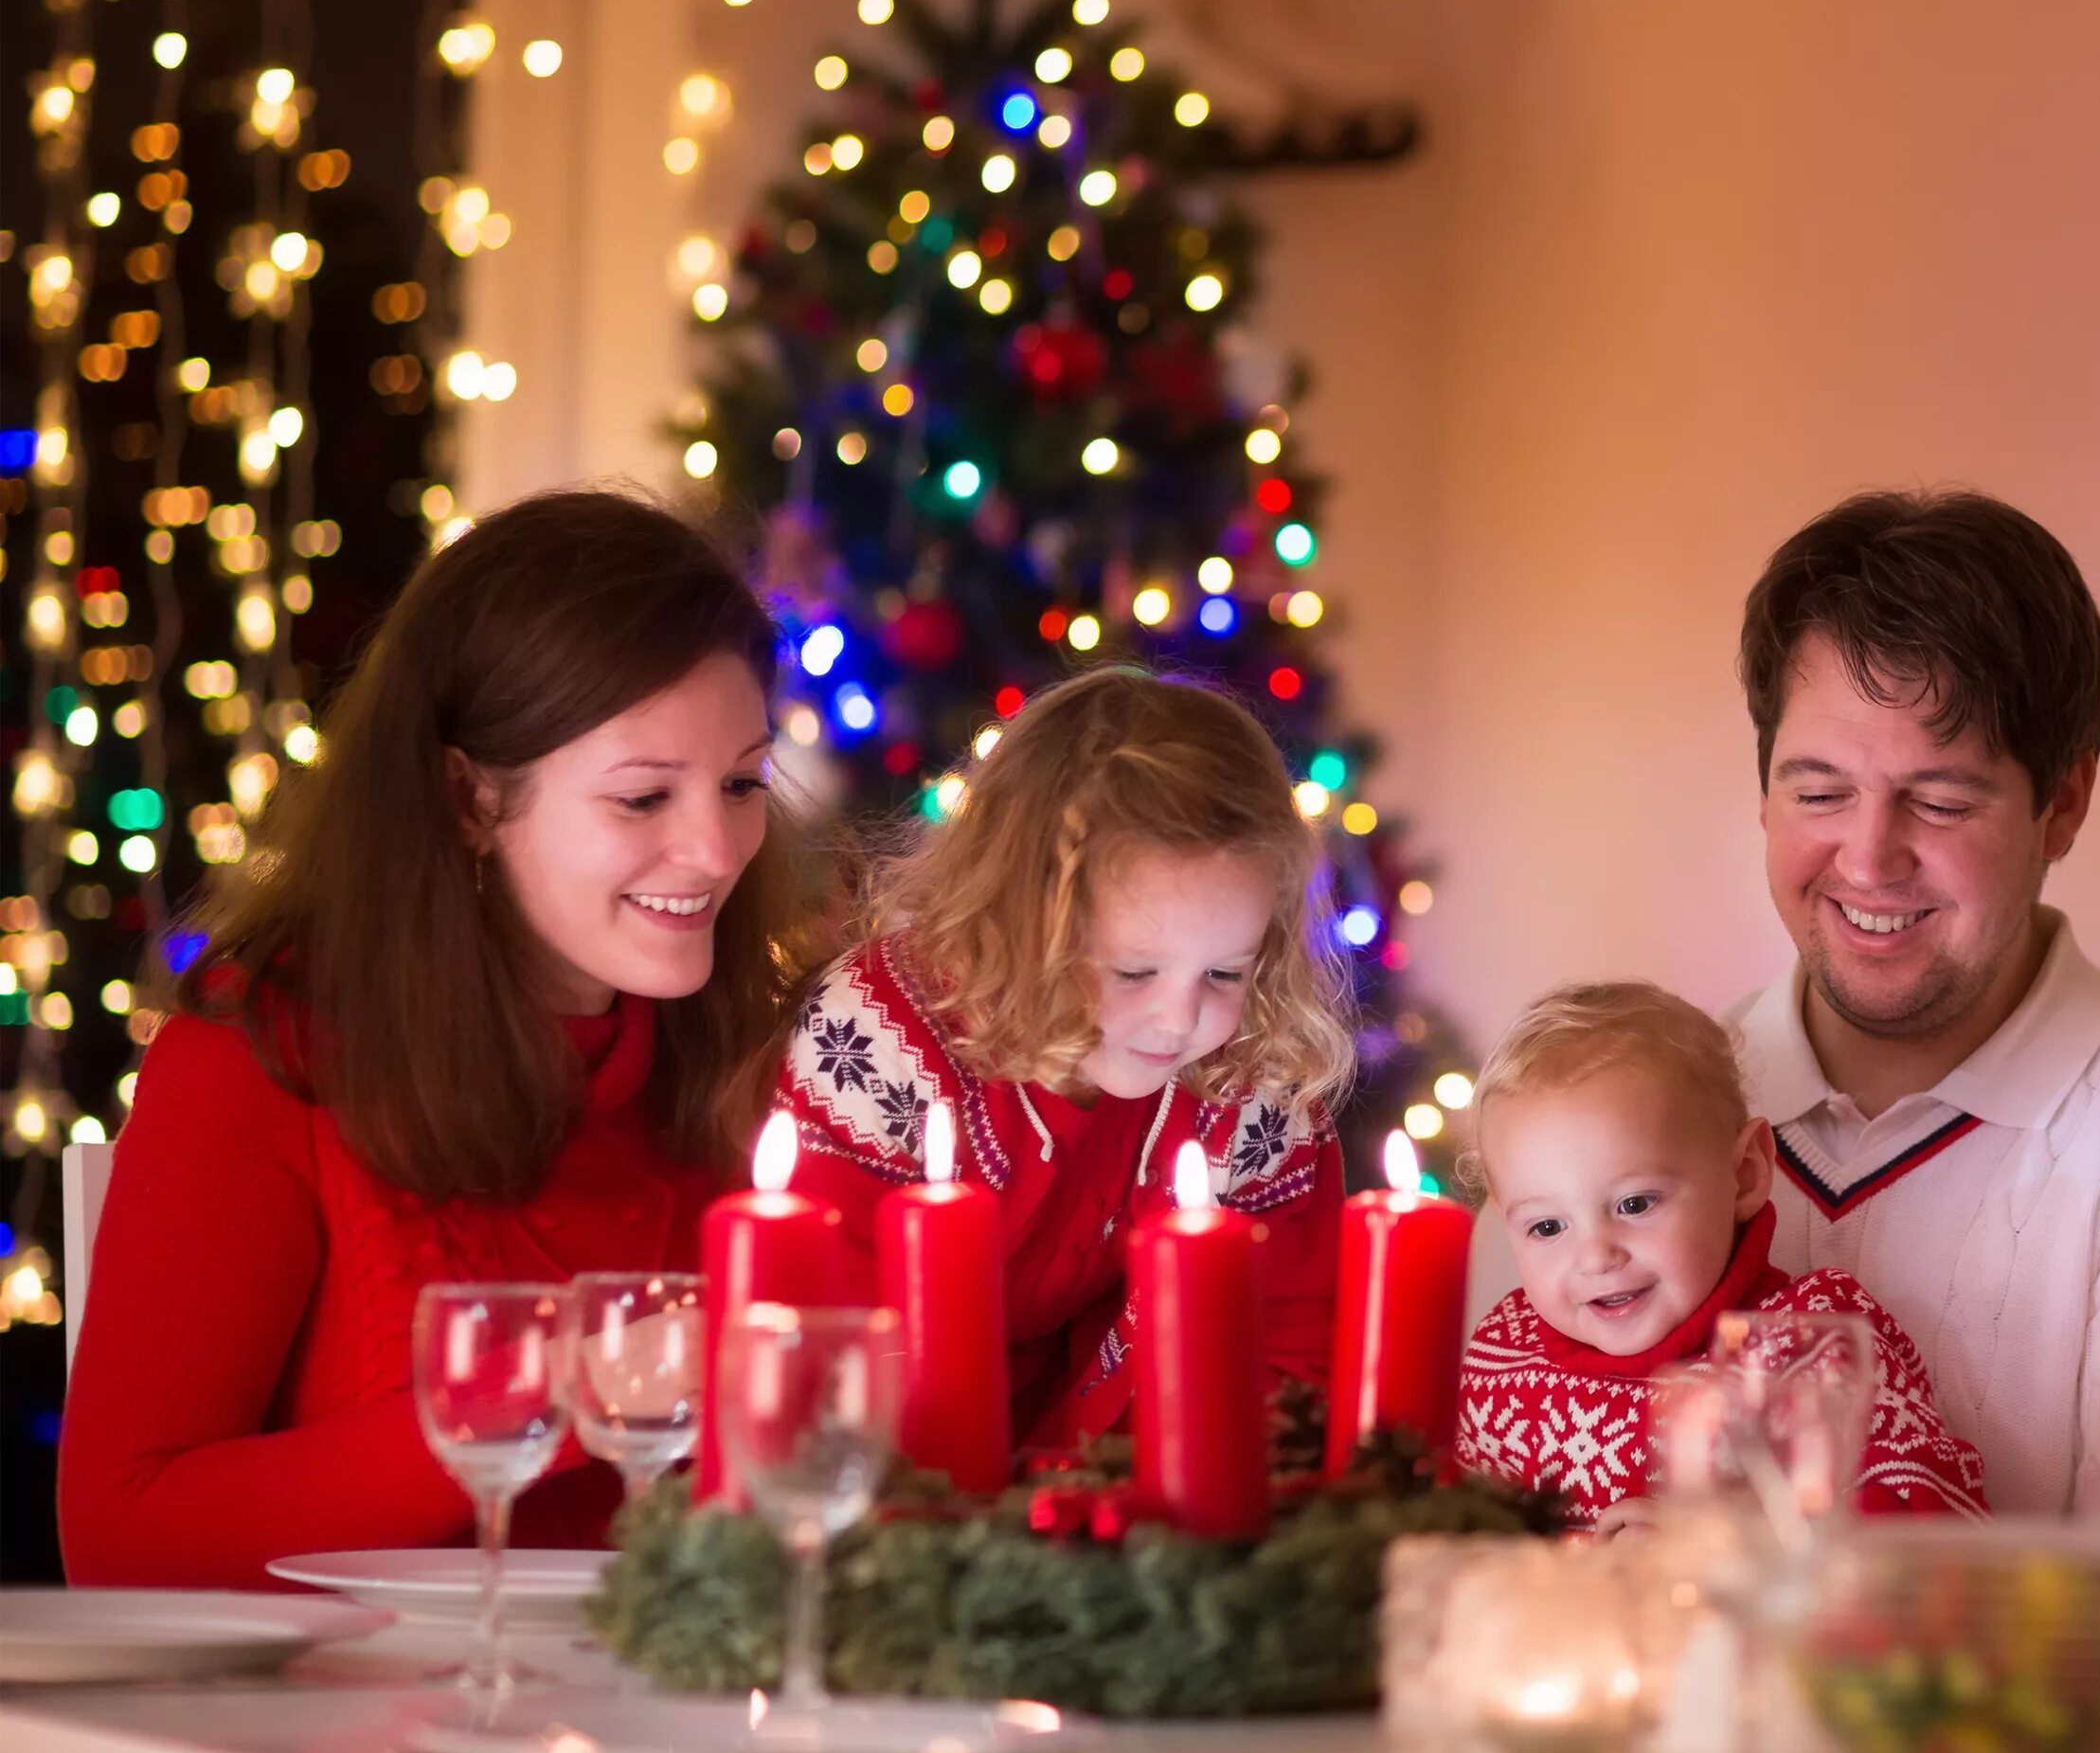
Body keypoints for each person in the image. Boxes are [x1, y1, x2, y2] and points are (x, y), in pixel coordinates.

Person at [61, 490, 802, 1588]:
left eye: (741, 782)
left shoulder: (761, 1068)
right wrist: (557, 1392)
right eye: (643, 797)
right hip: (336, 1747)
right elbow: (122, 1536)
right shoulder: (265, 1055)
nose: (716, 848)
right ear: (467, 797)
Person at [1719, 489, 2100, 1513]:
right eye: (1818, 793)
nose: (1868, 858)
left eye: (1941, 801)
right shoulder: (1652, 1103)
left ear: (2063, 804)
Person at [773, 668, 1353, 1448]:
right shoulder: (878, 1043)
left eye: (1224, 972)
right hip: (895, 1471)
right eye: (1133, 971)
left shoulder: (1249, 1076)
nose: (1180, 1019)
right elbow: (815, 1325)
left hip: (1120, 1494)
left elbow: (1287, 1343)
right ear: (1018, 924)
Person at [1454, 982, 1985, 1532]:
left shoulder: (1808, 1342)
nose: (1595, 1256)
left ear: (1746, 1173)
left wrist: (1723, 1544)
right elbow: (1463, 1536)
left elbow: (1932, 1525)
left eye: (1635, 1204)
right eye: (1547, 1226)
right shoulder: (1504, 1354)